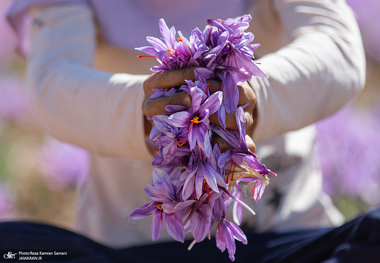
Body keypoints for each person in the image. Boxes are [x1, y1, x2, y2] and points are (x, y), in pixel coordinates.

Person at [3, 0, 377, 262]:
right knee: (12, 248)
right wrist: (147, 113)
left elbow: (340, 49)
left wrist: (249, 100)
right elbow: (52, 84)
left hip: (288, 241)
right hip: (126, 250)